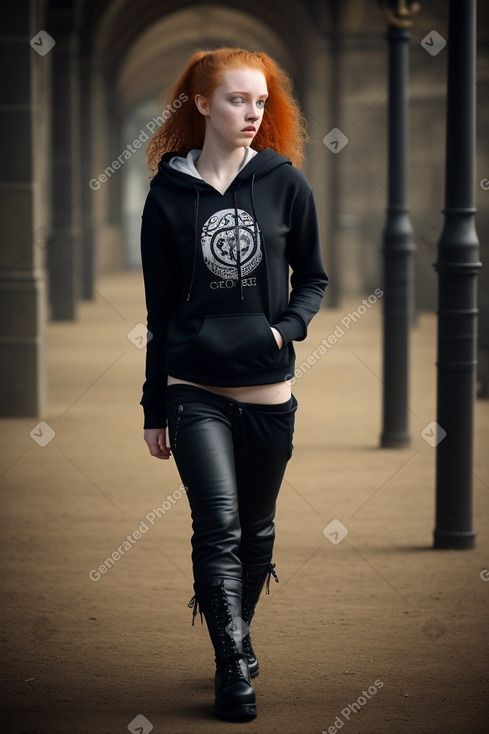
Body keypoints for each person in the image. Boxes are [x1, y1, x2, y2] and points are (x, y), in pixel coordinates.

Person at [140, 47, 328, 722]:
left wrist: (282, 333)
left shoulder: (283, 182)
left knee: (256, 530)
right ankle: (231, 667)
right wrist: (153, 406)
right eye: (235, 100)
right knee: (215, 524)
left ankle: (238, 638)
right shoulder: (166, 195)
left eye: (259, 101)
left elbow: (312, 278)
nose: (251, 114)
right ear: (200, 104)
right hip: (193, 388)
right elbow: (159, 312)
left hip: (267, 393)